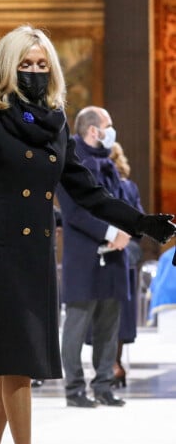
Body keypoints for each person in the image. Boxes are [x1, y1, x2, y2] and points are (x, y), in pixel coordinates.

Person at [0, 25, 175, 444]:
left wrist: (141, 223)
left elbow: (86, 190)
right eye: (26, 64)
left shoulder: (55, 122)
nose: (34, 71)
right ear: (8, 66)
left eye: (42, 65)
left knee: (10, 362)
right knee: (19, 362)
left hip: (35, 256)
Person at [58, 108, 143, 408]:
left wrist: (135, 225)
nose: (112, 131)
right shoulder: (70, 162)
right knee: (77, 324)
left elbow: (121, 202)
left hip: (115, 257)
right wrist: (110, 233)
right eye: (109, 126)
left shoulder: (107, 164)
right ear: (93, 131)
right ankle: (74, 389)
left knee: (109, 325)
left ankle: (104, 385)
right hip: (85, 256)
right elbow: (75, 212)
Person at [109, 142, 144, 387]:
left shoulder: (101, 185)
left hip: (107, 249)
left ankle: (110, 365)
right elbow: (140, 222)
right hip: (128, 251)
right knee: (121, 308)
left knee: (106, 310)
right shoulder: (129, 187)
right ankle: (115, 363)